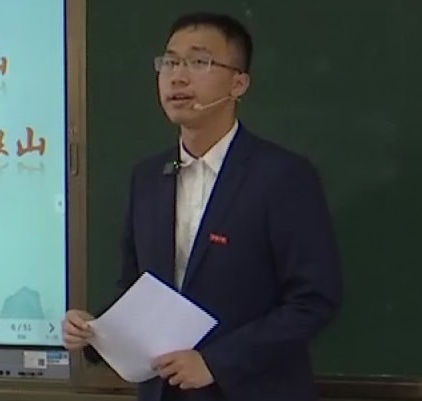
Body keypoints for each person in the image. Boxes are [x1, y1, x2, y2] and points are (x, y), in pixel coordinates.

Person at [62, 11, 342, 401]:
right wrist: (95, 331)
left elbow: (313, 300)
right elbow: (136, 289)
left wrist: (217, 363)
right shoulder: (147, 178)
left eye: (198, 62)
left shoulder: (282, 176)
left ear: (238, 83)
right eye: (169, 62)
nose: (177, 77)